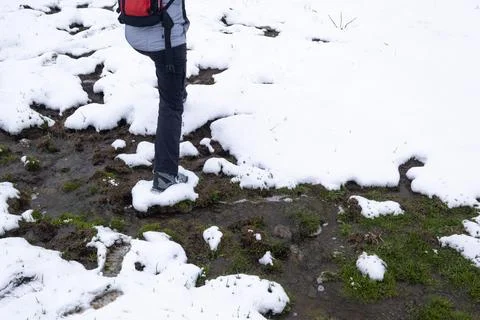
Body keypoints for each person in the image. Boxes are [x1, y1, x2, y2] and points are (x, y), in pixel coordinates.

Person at [123, 0, 190, 192]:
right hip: (165, 39)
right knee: (171, 106)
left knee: (172, 80)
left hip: (134, 31)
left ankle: (179, 91)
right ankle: (165, 175)